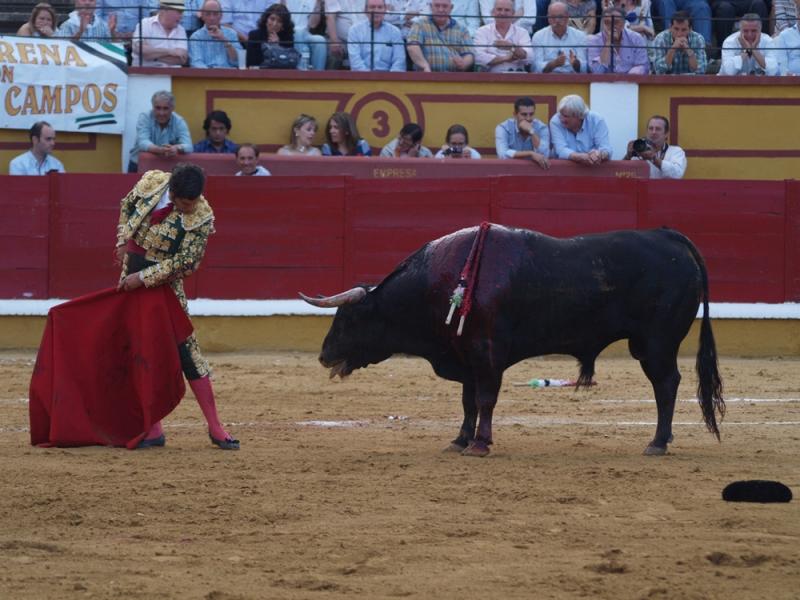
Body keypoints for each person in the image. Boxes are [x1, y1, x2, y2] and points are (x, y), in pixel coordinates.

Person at [115, 163, 239, 450]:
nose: (190, 208)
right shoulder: (152, 183)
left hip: (164, 287)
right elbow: (127, 205)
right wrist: (122, 241)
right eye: (184, 203)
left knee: (187, 351)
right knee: (138, 350)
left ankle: (215, 426)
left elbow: (187, 263)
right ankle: (153, 427)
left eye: (193, 202)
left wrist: (143, 278)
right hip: (129, 275)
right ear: (171, 193)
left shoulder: (202, 216)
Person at [128, 90, 193, 173]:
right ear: (153, 106)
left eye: (165, 108)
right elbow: (143, 142)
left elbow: (189, 146)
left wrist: (176, 148)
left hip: (166, 167)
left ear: (172, 108)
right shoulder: (145, 117)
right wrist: (160, 150)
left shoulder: (179, 121)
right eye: (158, 108)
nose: (161, 113)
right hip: (138, 164)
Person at [406, 0, 475, 71]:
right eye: (437, 6)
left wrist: (463, 63)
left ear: (451, 8)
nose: (440, 10)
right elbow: (412, 47)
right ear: (430, 7)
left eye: (445, 6)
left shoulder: (462, 29)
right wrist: (424, 65)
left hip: (454, 77)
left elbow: (469, 54)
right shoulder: (419, 24)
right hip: (425, 76)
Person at [549, 94, 613, 166]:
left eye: (566, 116)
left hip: (592, 170)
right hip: (563, 171)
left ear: (580, 116)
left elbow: (606, 149)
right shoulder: (555, 121)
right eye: (560, 114)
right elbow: (560, 150)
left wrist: (599, 154)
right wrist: (582, 157)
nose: (561, 119)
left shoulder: (597, 120)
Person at [473, 0, 534, 72]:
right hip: (490, 78)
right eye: (499, 9)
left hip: (517, 77)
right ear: (492, 12)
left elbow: (530, 57)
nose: (502, 13)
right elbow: (478, 57)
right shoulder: (482, 31)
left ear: (513, 13)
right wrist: (506, 58)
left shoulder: (522, 32)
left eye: (507, 10)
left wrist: (511, 47)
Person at [347, 0, 407, 72]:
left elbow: (399, 61)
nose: (376, 10)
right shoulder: (354, 31)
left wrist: (390, 79)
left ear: (385, 10)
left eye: (380, 7)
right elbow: (355, 62)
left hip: (389, 79)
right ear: (365, 11)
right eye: (372, 7)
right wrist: (369, 79)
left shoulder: (395, 31)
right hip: (362, 79)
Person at [587, 7, 650, 73]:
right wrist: (608, 42)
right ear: (603, 24)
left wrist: (629, 78)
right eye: (607, 22)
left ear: (623, 24)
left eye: (616, 22)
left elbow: (643, 66)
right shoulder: (593, 40)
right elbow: (597, 71)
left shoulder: (636, 39)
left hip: (631, 81)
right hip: (603, 82)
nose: (611, 25)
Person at [531, 1, 588, 73]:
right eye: (553, 17)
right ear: (548, 18)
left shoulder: (580, 36)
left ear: (567, 17)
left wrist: (576, 64)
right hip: (547, 81)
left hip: (572, 80)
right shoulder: (538, 37)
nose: (557, 21)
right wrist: (554, 64)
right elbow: (535, 68)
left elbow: (585, 69)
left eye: (560, 17)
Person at [494, 96, 550, 168]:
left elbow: (545, 154)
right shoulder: (504, 128)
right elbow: (502, 155)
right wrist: (530, 153)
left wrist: (532, 132)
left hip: (534, 172)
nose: (528, 118)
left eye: (531, 114)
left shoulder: (542, 128)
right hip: (510, 171)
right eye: (524, 114)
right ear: (515, 115)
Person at [132, 0, 189, 67]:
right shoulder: (145, 24)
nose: (182, 16)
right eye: (179, 12)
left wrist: (153, 55)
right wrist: (170, 51)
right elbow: (141, 50)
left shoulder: (181, 30)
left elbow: (182, 59)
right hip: (146, 75)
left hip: (173, 75)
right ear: (165, 10)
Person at [652, 10, 707, 74]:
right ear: (670, 27)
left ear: (690, 29)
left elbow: (701, 70)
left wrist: (688, 50)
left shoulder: (698, 39)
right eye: (676, 29)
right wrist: (673, 49)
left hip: (690, 83)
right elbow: (659, 70)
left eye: (683, 30)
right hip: (666, 82)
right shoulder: (661, 39)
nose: (679, 34)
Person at [188, 0, 239, 68]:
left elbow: (237, 61)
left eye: (215, 14)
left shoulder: (231, 34)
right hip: (206, 77)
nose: (212, 18)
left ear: (221, 15)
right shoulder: (196, 37)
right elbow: (196, 63)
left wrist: (224, 39)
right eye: (208, 14)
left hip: (228, 75)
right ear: (202, 16)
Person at [245, 4, 296, 68]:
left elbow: (289, 65)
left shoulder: (288, 37)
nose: (274, 24)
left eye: (279, 21)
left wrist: (277, 47)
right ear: (266, 19)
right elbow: (250, 63)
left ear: (284, 25)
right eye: (272, 19)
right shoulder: (254, 35)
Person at [283, 0, 327, 70]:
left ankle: (318, 75)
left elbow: (313, 25)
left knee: (320, 40)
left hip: (306, 33)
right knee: (298, 31)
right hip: (288, 31)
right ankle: (301, 70)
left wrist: (318, 4)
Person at [325, 0, 368, 69]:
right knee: (333, 56)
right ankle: (328, 80)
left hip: (364, 41)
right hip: (341, 41)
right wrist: (334, 41)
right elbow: (330, 17)